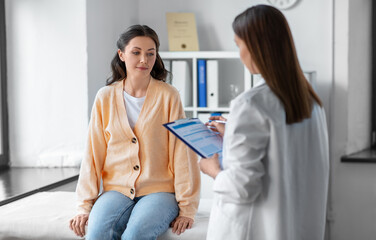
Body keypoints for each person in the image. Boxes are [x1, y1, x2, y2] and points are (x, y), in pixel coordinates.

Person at [199, 5, 329, 240]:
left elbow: (241, 188)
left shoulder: (250, 104)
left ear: (256, 47)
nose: (240, 54)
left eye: (239, 45)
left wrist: (213, 171)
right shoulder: (312, 101)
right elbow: (284, 150)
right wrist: (232, 134)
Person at [69, 25, 200, 240]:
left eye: (150, 54)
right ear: (121, 55)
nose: (144, 60)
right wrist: (84, 206)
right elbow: (93, 154)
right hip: (116, 191)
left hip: (159, 191)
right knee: (96, 234)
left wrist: (187, 208)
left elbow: (182, 153)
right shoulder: (105, 97)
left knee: (135, 235)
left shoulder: (169, 96)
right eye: (136, 52)